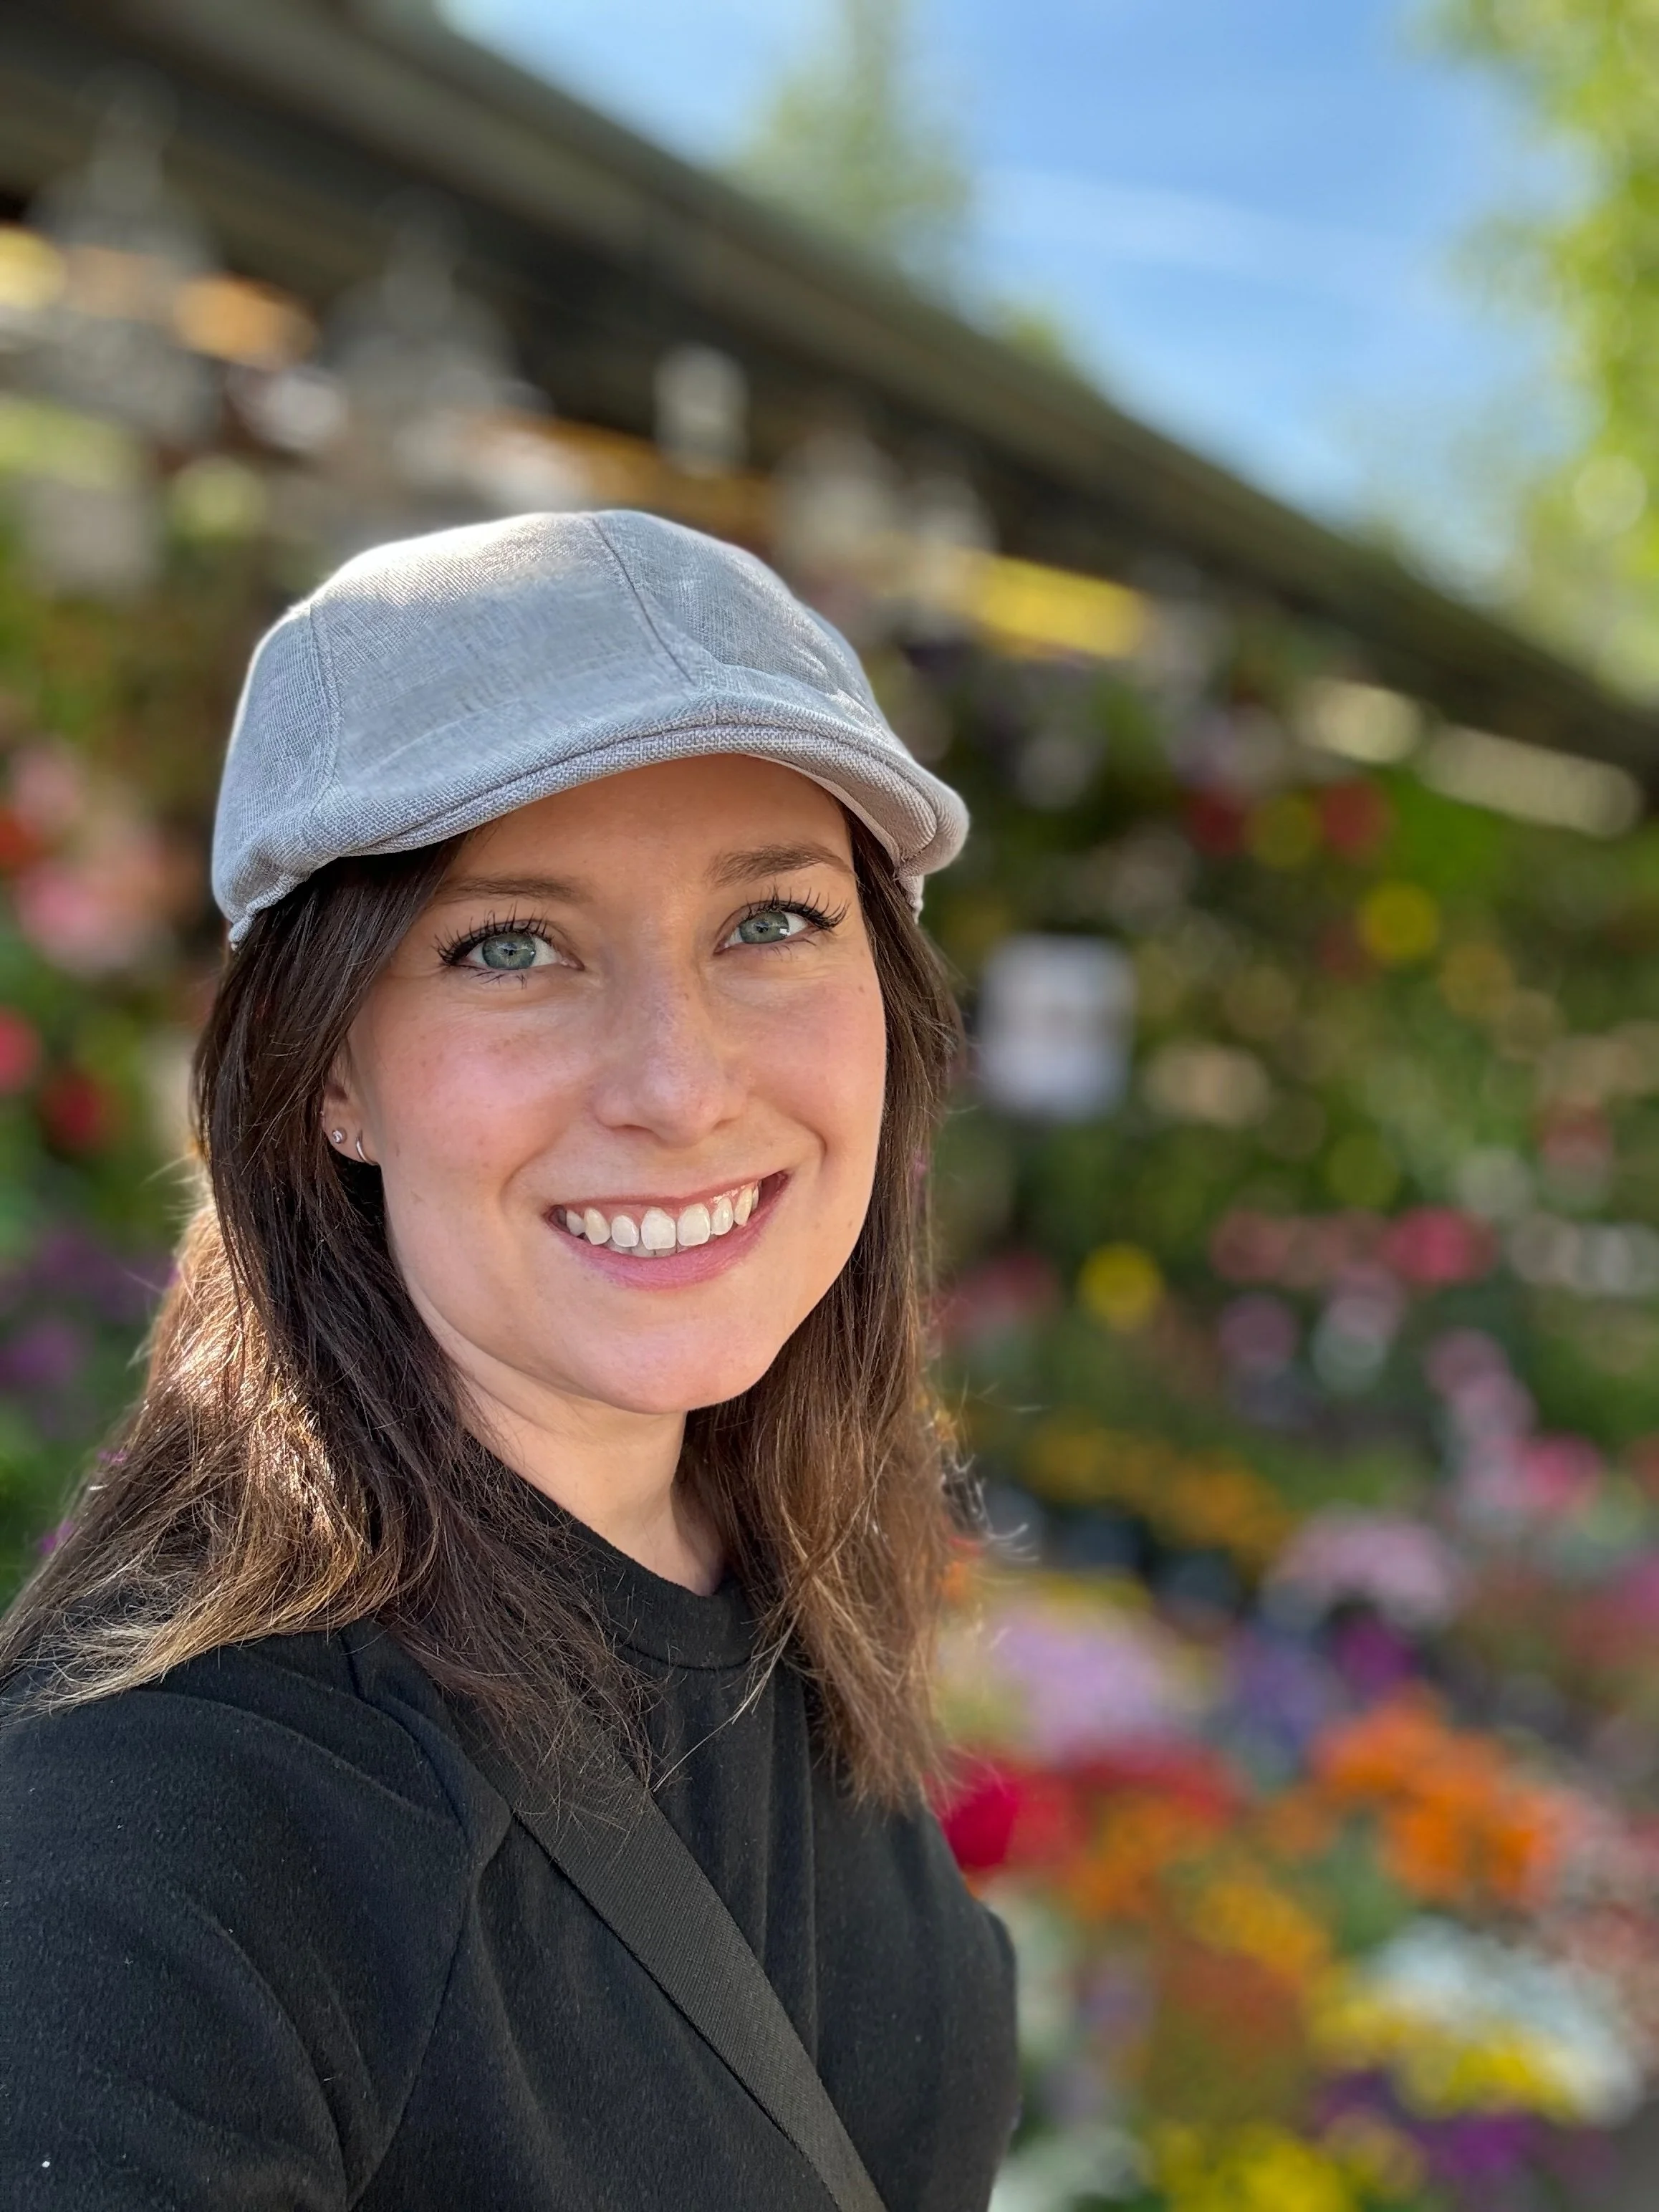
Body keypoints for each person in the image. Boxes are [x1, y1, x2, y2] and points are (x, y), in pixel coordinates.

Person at [0, 510, 1019, 2210]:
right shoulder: (168, 1832)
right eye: (509, 946)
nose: (678, 1085)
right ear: (329, 1073)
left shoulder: (782, 1600)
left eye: (771, 918)